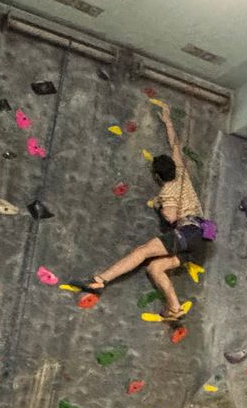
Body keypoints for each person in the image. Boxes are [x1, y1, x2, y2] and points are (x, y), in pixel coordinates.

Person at [84, 98, 205, 319]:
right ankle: (174, 308)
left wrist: (160, 206)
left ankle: (101, 279)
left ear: (157, 176)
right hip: (200, 240)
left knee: (142, 251)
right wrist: (168, 121)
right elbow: (175, 145)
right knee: (155, 269)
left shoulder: (167, 192)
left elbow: (170, 217)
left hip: (187, 232)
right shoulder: (181, 172)